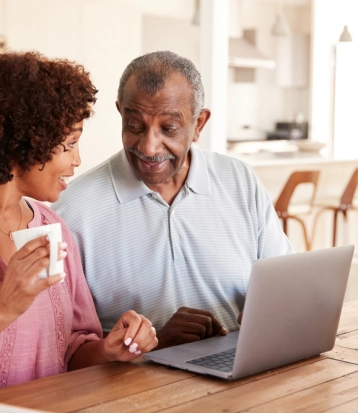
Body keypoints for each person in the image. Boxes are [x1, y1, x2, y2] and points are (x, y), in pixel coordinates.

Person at [53, 51, 293, 350]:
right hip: (135, 387)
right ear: (120, 114)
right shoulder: (73, 211)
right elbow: (62, 346)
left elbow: (284, 283)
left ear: (199, 124)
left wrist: (267, 312)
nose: (149, 147)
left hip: (241, 369)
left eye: (169, 128)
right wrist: (151, 344)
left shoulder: (240, 181)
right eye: (135, 126)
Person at [0, 51, 157, 387]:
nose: (78, 160)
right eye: (70, 144)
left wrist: (108, 350)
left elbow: (70, 352)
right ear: (27, 141)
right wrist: (5, 308)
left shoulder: (53, 230)